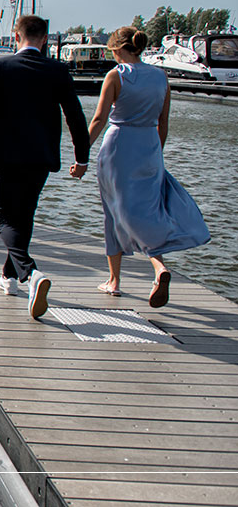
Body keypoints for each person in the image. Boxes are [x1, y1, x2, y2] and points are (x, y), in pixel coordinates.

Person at [81, 26, 210, 307]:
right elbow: (163, 122)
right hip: (149, 145)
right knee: (146, 210)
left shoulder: (116, 75)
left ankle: (114, 281)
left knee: (115, 212)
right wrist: (156, 154)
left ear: (115, 50)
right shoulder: (161, 76)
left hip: (119, 146)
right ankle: (157, 268)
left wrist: (82, 155)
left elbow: (99, 119)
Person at [0, 14, 90, 319]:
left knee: (2, 219)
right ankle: (8, 278)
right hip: (40, 156)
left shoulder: (0, 65)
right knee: (24, 215)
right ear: (45, 39)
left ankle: (29, 273)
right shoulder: (58, 70)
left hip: (3, 154)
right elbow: (75, 116)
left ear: (16, 37)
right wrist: (82, 157)